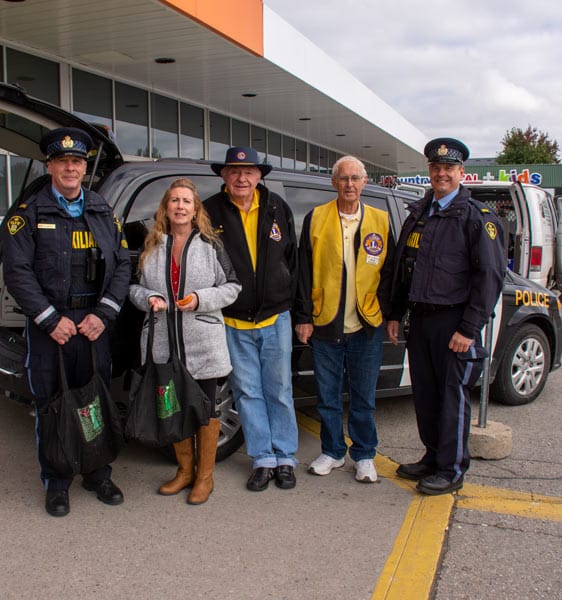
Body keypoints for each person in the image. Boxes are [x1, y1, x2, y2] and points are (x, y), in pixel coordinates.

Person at [2, 127, 131, 517]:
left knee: (94, 400)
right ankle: (57, 481)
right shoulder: (29, 214)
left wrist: (104, 313)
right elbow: (17, 272)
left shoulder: (101, 209)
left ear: (83, 167)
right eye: (63, 161)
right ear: (50, 166)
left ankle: (97, 471)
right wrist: (48, 319)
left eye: (77, 162)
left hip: (94, 324)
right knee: (52, 405)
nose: (71, 168)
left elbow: (123, 264)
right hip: (51, 326)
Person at [381, 137, 506, 495]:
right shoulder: (419, 213)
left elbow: (489, 277)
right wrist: (395, 313)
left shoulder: (476, 218)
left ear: (461, 173)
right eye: (436, 168)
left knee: (452, 397)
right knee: (426, 395)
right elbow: (404, 268)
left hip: (455, 325)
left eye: (448, 168)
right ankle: (433, 457)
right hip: (420, 321)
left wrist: (469, 328)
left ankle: (451, 469)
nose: (441, 174)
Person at [128, 178, 240, 504]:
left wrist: (199, 299)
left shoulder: (211, 244)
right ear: (165, 207)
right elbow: (133, 289)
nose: (180, 206)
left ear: (195, 209)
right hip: (163, 342)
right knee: (171, 408)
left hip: (203, 342)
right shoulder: (152, 245)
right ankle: (184, 472)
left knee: (205, 408)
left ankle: (205, 478)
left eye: (186, 201)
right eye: (174, 200)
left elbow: (232, 287)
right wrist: (148, 297)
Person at [203, 147, 299, 492]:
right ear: (224, 176)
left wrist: (298, 311)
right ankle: (262, 459)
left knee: (280, 390)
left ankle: (285, 456)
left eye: (249, 171)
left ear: (260, 176)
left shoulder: (277, 207)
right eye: (234, 171)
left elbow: (293, 260)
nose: (242, 178)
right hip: (233, 320)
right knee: (247, 392)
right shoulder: (209, 211)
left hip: (276, 318)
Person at [294, 156, 392, 483]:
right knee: (328, 396)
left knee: (363, 398)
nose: (349, 184)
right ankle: (333, 451)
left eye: (355, 178)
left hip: (367, 324)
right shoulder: (317, 217)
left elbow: (390, 274)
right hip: (326, 322)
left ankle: (364, 455)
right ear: (334, 182)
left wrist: (388, 314)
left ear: (365, 182)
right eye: (343, 178)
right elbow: (303, 271)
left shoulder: (381, 220)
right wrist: (304, 317)